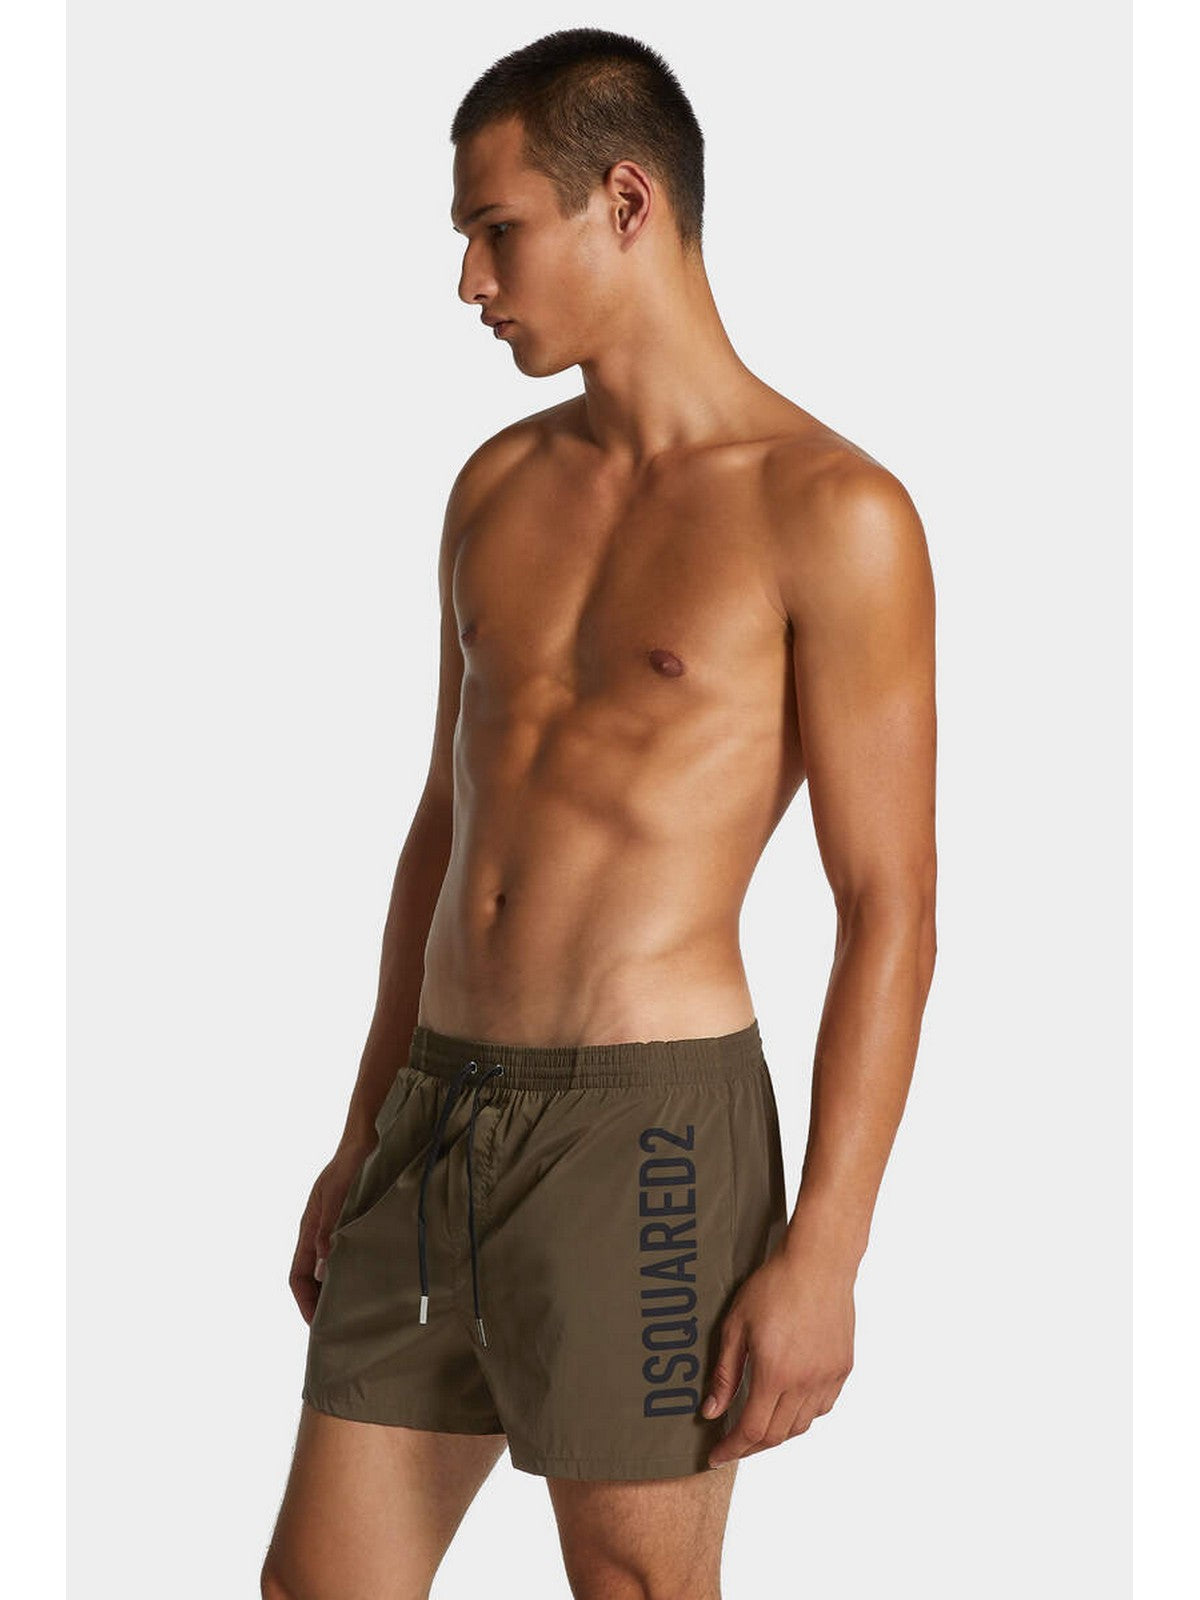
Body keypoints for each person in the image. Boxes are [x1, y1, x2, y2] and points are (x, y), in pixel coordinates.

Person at [262, 24, 937, 1600]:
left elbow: (888, 903)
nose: (471, 282)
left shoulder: (831, 512)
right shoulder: (496, 487)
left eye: (497, 230)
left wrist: (828, 1248)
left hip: (648, 1129)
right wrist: (364, 1128)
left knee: (634, 1590)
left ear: (625, 203)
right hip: (438, 1108)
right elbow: (444, 829)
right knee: (316, 1586)